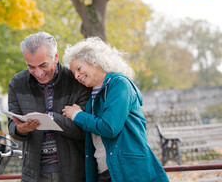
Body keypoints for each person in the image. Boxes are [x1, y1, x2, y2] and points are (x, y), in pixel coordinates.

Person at [62, 37, 169, 182]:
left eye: (79, 69)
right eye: (74, 73)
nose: (77, 75)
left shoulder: (119, 84)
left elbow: (109, 127)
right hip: (104, 171)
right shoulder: (91, 93)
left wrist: (77, 115)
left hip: (129, 170)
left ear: (94, 61)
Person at [8, 32, 91, 182]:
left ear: (56, 56)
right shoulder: (17, 83)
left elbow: (85, 131)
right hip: (34, 174)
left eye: (43, 65)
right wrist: (20, 129)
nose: (38, 73)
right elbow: (12, 128)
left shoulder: (76, 80)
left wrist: (52, 119)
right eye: (31, 67)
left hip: (74, 173)